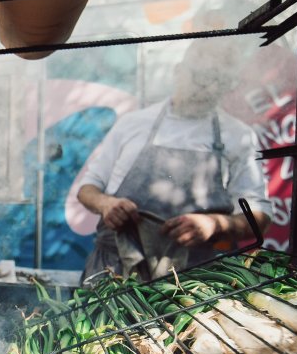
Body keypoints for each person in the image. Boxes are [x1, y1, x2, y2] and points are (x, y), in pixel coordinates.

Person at [76, 39, 272, 282]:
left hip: (194, 281)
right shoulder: (133, 124)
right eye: (201, 77)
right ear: (178, 71)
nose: (208, 89)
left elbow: (259, 218)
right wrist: (106, 204)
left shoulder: (238, 136)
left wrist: (215, 224)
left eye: (219, 82)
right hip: (113, 272)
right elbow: (87, 189)